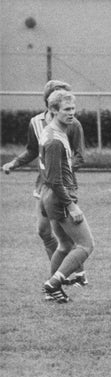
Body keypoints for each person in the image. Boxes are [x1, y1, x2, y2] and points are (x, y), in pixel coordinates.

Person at [2, 80, 89, 290]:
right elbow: (32, 150)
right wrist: (15, 163)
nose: (70, 109)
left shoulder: (72, 124)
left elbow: (79, 156)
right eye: (64, 101)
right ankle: (57, 281)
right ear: (50, 103)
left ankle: (74, 274)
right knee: (45, 232)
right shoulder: (38, 124)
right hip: (45, 186)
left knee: (69, 239)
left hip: (59, 186)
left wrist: (61, 172)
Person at [39, 90, 95, 303]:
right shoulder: (54, 140)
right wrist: (71, 206)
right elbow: (54, 179)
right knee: (86, 245)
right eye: (66, 109)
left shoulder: (52, 131)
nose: (72, 113)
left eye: (73, 109)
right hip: (59, 198)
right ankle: (53, 284)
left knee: (64, 245)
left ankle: (52, 291)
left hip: (50, 197)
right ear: (53, 110)